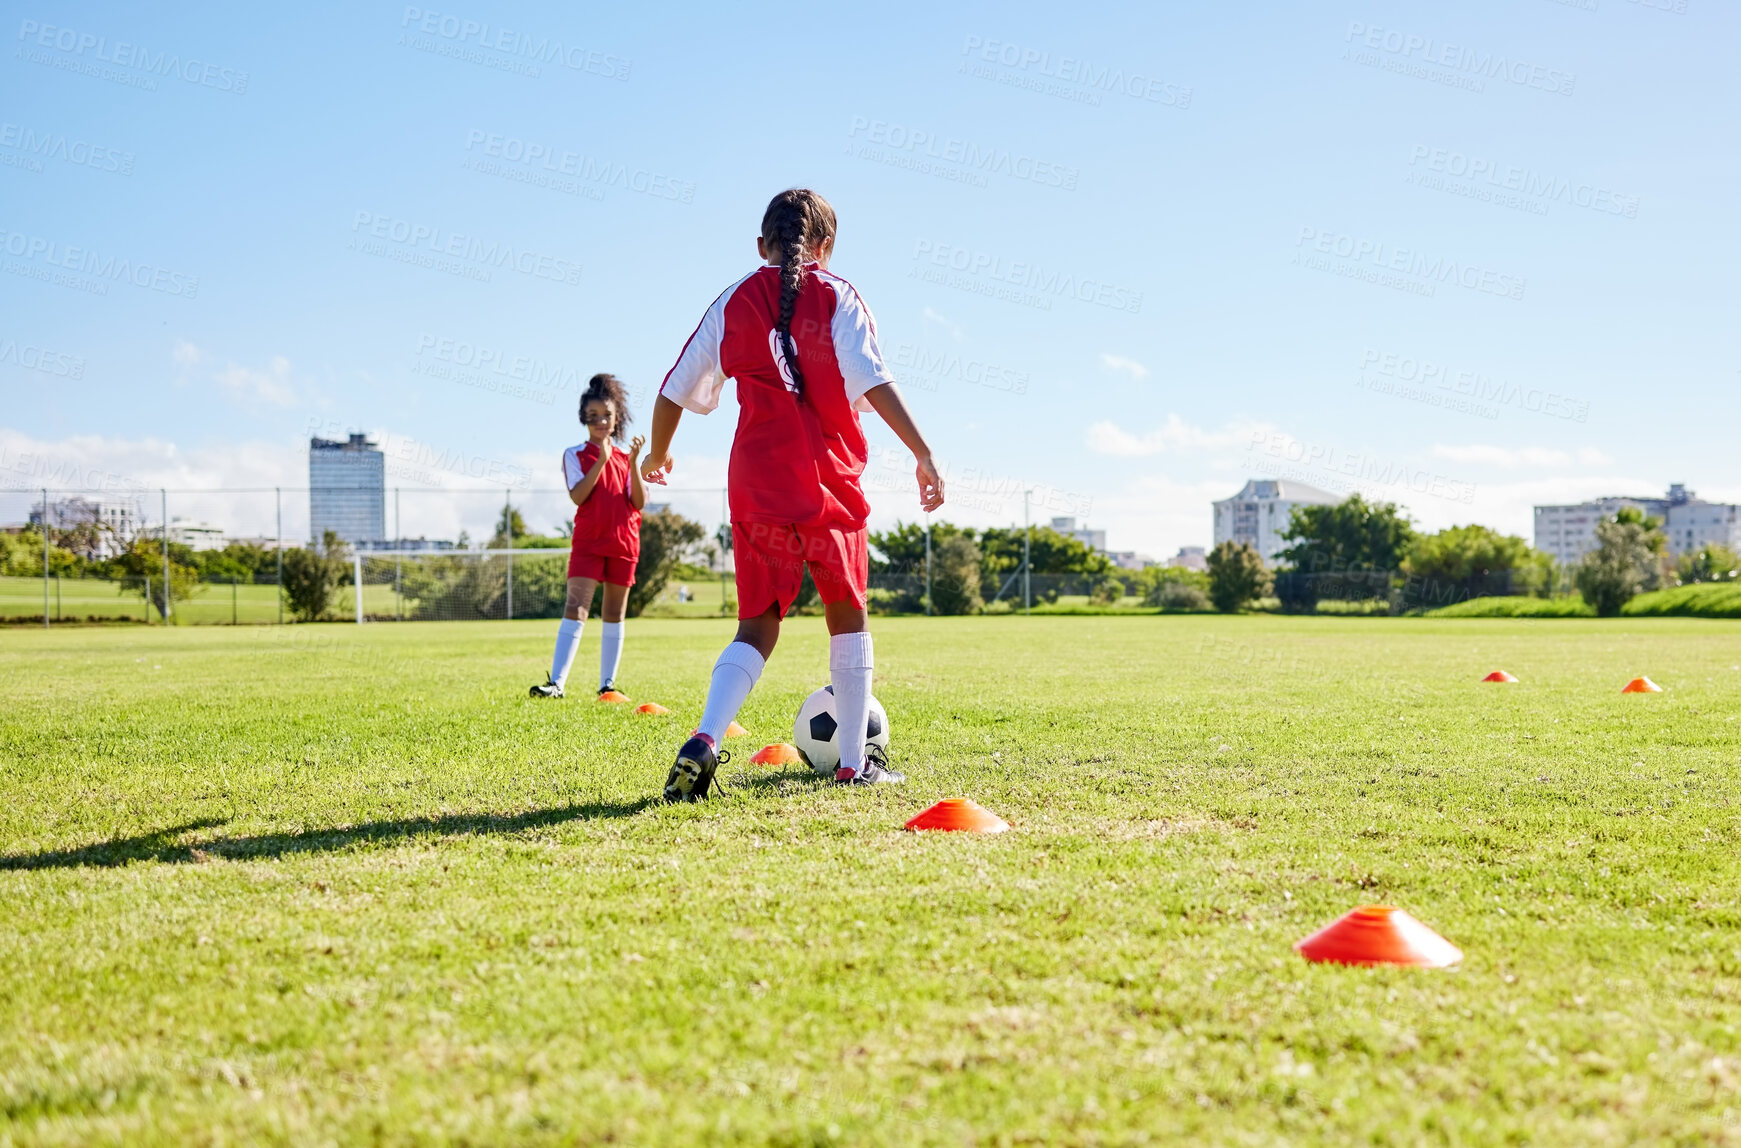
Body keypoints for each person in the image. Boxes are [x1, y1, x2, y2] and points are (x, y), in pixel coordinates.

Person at [642, 188, 944, 801]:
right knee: (847, 616)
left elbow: (674, 389)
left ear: (761, 245)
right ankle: (855, 765)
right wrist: (923, 451)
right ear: (826, 248)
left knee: (756, 624)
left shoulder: (733, 301)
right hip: (825, 479)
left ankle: (704, 738)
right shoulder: (839, 295)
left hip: (755, 484)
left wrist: (657, 452)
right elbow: (874, 380)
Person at [530, 373, 646, 701]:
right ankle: (557, 683)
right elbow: (578, 496)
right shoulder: (574, 454)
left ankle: (607, 685)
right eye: (593, 417)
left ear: (616, 418)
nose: (600, 421)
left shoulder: (627, 459)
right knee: (576, 608)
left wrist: (634, 463)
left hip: (624, 544)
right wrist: (602, 461)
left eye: (606, 416)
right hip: (588, 545)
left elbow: (638, 502)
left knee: (614, 615)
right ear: (584, 419)